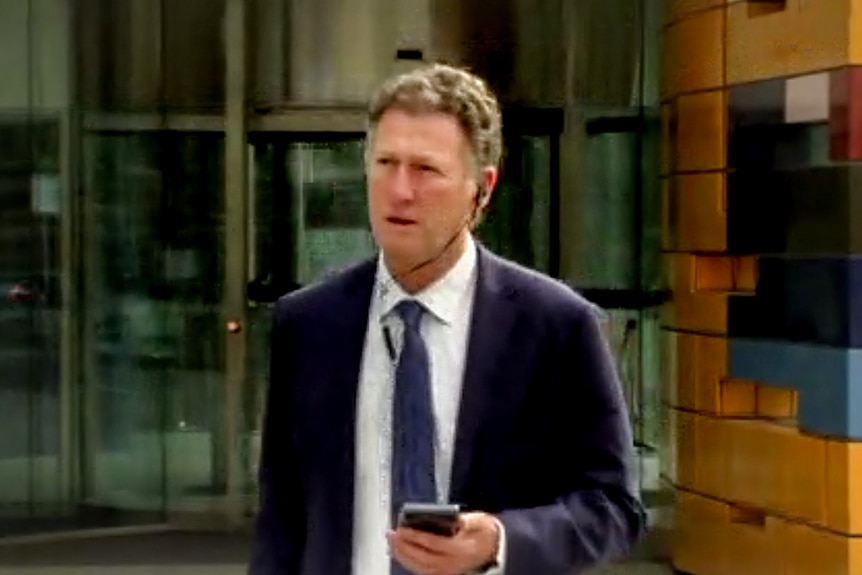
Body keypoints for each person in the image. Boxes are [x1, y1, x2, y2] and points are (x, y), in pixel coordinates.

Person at [248, 63, 645, 575]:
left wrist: (500, 542)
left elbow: (614, 506)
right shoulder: (307, 324)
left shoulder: (558, 326)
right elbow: (282, 522)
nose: (399, 190)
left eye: (425, 169)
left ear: (482, 190)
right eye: (385, 163)